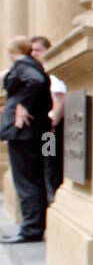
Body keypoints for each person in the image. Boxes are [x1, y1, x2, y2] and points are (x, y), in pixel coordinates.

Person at [1, 37, 53, 243]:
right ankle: (33, 227)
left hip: (26, 133)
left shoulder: (23, 65)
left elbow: (36, 82)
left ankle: (31, 229)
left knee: (28, 180)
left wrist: (23, 105)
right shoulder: (32, 66)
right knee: (35, 179)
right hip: (35, 132)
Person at [29, 36, 66, 201]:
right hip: (46, 128)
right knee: (46, 161)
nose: (34, 53)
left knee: (50, 162)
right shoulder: (40, 72)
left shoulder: (52, 73)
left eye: (38, 49)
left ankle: (52, 197)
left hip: (51, 128)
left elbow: (60, 99)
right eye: (32, 50)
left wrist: (52, 124)